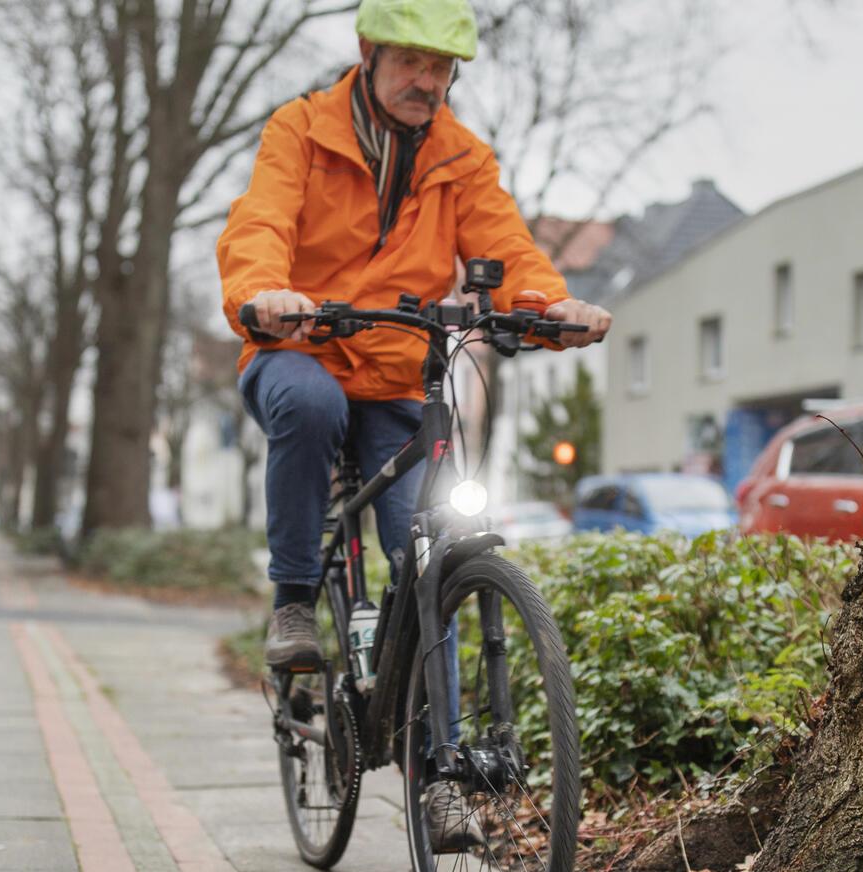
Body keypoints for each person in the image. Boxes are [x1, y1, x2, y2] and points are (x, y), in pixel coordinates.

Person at [218, 0, 612, 671]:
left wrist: (550, 306)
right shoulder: (303, 130)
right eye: (409, 61)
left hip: (396, 374)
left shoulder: (462, 158)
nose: (425, 81)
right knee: (313, 406)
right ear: (368, 54)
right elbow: (262, 222)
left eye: (440, 67)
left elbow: (506, 245)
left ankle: (441, 770)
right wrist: (264, 294)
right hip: (297, 348)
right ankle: (292, 600)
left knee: (433, 561)